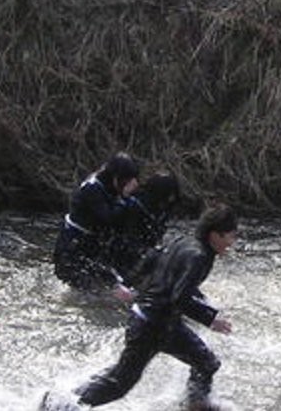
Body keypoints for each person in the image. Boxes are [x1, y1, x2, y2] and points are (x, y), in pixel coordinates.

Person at [63, 203, 237, 411]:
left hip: (163, 321)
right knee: (119, 384)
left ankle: (195, 404)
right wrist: (210, 318)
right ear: (215, 235)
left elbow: (152, 258)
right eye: (230, 236)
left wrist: (127, 283)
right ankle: (64, 405)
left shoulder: (183, 241)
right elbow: (179, 296)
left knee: (207, 363)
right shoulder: (199, 257)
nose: (232, 243)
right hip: (151, 325)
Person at [52, 151, 139, 301]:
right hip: (72, 253)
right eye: (125, 181)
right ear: (115, 177)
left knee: (115, 287)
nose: (128, 186)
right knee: (107, 294)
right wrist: (125, 197)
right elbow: (109, 219)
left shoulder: (108, 187)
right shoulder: (92, 188)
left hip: (89, 250)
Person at [111, 170, 180, 287]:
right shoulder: (135, 206)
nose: (171, 198)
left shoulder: (162, 209)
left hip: (143, 252)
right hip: (124, 254)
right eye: (169, 194)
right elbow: (126, 238)